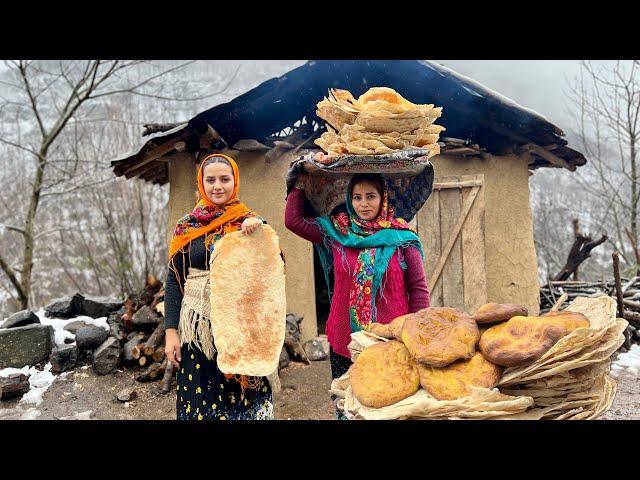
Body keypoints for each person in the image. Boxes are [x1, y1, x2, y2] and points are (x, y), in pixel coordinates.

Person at [285, 172, 430, 418]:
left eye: (370, 197)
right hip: (345, 342)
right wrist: (300, 179)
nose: (363, 204)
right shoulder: (337, 233)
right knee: (348, 408)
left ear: (383, 198)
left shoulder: (402, 238)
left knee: (390, 408)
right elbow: (293, 220)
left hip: (391, 343)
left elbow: (418, 290)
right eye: (357, 197)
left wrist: (418, 335)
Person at [164, 152, 273, 420]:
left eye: (224, 179)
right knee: (202, 401)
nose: (218, 186)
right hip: (199, 328)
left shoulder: (250, 221)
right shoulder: (187, 227)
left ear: (235, 181)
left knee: (244, 399)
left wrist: (258, 234)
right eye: (210, 180)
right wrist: (170, 332)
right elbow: (174, 280)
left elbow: (273, 268)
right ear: (201, 183)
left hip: (242, 326)